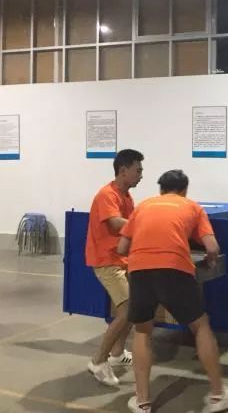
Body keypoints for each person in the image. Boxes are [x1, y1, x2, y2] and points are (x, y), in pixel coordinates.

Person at [118, 170, 228, 413]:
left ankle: (142, 402)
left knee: (142, 331)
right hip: (174, 269)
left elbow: (122, 247)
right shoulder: (192, 207)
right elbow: (212, 247)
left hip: (139, 270)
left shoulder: (143, 206)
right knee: (201, 326)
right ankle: (218, 396)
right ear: (184, 190)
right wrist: (209, 260)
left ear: (161, 189)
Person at [85, 149, 144, 386]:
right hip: (107, 261)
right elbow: (116, 223)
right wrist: (148, 224)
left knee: (133, 308)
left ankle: (117, 354)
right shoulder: (106, 195)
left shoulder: (127, 196)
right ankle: (98, 361)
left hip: (122, 259)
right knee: (127, 310)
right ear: (123, 170)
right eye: (138, 170)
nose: (141, 175)